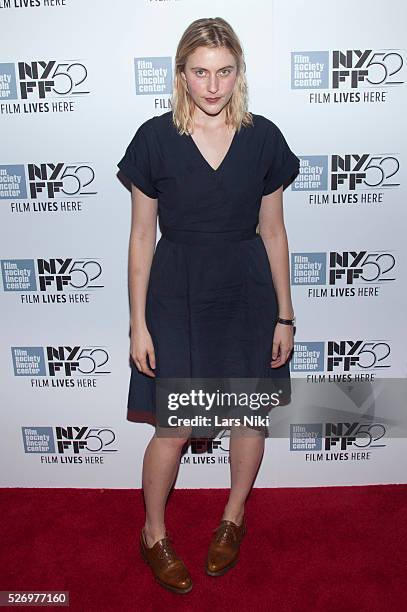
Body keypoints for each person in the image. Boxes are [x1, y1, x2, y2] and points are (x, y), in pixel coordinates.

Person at [117, 17, 299, 595]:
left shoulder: (263, 137)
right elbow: (142, 236)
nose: (212, 86)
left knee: (247, 415)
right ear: (182, 74)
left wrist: (285, 314)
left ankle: (233, 518)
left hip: (247, 291)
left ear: (238, 72)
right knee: (174, 426)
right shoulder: (153, 137)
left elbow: (273, 232)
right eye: (200, 72)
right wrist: (138, 322)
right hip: (179, 292)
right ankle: (153, 533)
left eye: (224, 72)